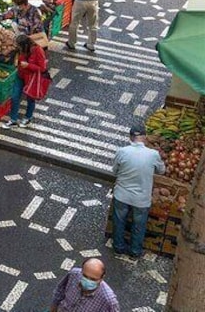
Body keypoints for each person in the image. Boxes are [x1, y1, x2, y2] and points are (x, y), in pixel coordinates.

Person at [112, 124, 165, 259]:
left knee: (119, 222)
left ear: (131, 137)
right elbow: (161, 170)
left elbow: (115, 171)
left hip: (122, 195)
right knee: (139, 226)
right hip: (141, 199)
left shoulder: (122, 151)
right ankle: (135, 251)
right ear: (145, 138)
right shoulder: (153, 154)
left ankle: (118, 247)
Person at [3, 34, 47, 128]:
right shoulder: (22, 50)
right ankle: (13, 119)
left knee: (30, 99)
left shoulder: (38, 50)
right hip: (20, 75)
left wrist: (28, 65)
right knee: (15, 96)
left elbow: (42, 68)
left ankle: (28, 117)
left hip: (31, 79)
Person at [50, 259, 119, 312]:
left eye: (93, 279)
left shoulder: (108, 300)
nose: (88, 281)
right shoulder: (74, 274)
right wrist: (53, 308)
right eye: (85, 276)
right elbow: (60, 290)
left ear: (102, 278)